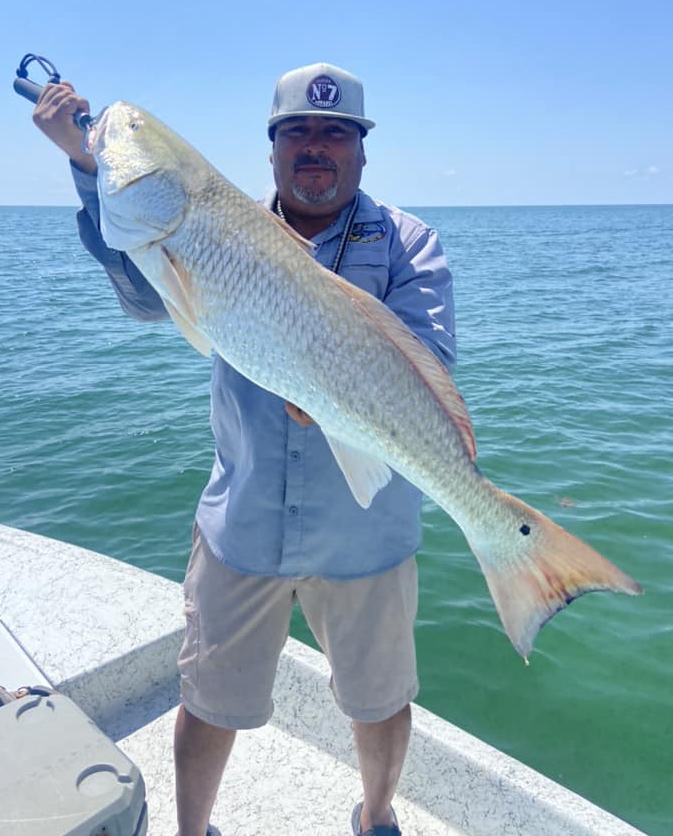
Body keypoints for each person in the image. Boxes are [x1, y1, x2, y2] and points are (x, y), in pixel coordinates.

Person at [33, 62, 456, 836]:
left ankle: (378, 815)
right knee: (206, 698)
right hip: (244, 519)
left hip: (368, 532)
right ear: (271, 150)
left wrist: (328, 388)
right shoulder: (218, 226)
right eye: (297, 131)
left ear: (362, 149)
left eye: (335, 132)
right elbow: (141, 297)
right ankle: (192, 831)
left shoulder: (408, 242)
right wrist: (88, 169)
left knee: (382, 699)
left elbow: (429, 363)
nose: (316, 147)